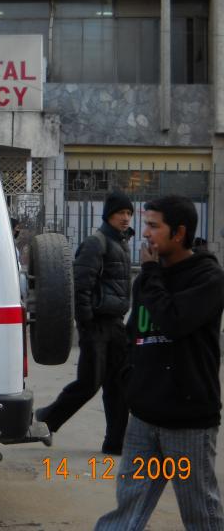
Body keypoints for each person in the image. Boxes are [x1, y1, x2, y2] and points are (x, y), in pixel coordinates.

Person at [96, 195, 224, 530]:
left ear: (178, 233)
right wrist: (131, 385)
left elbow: (173, 321)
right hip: (143, 418)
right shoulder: (147, 280)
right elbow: (133, 336)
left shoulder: (208, 278)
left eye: (154, 226)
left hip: (187, 422)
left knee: (200, 512)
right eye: (146, 225)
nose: (145, 233)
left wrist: (151, 272)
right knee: (128, 505)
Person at [36, 190, 134, 455]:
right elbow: (80, 285)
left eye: (129, 213)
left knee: (118, 385)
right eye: (120, 212)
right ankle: (47, 418)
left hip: (116, 324)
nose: (126, 218)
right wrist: (86, 323)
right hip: (97, 325)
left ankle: (115, 442)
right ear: (109, 215)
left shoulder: (122, 243)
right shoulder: (96, 243)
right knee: (89, 383)